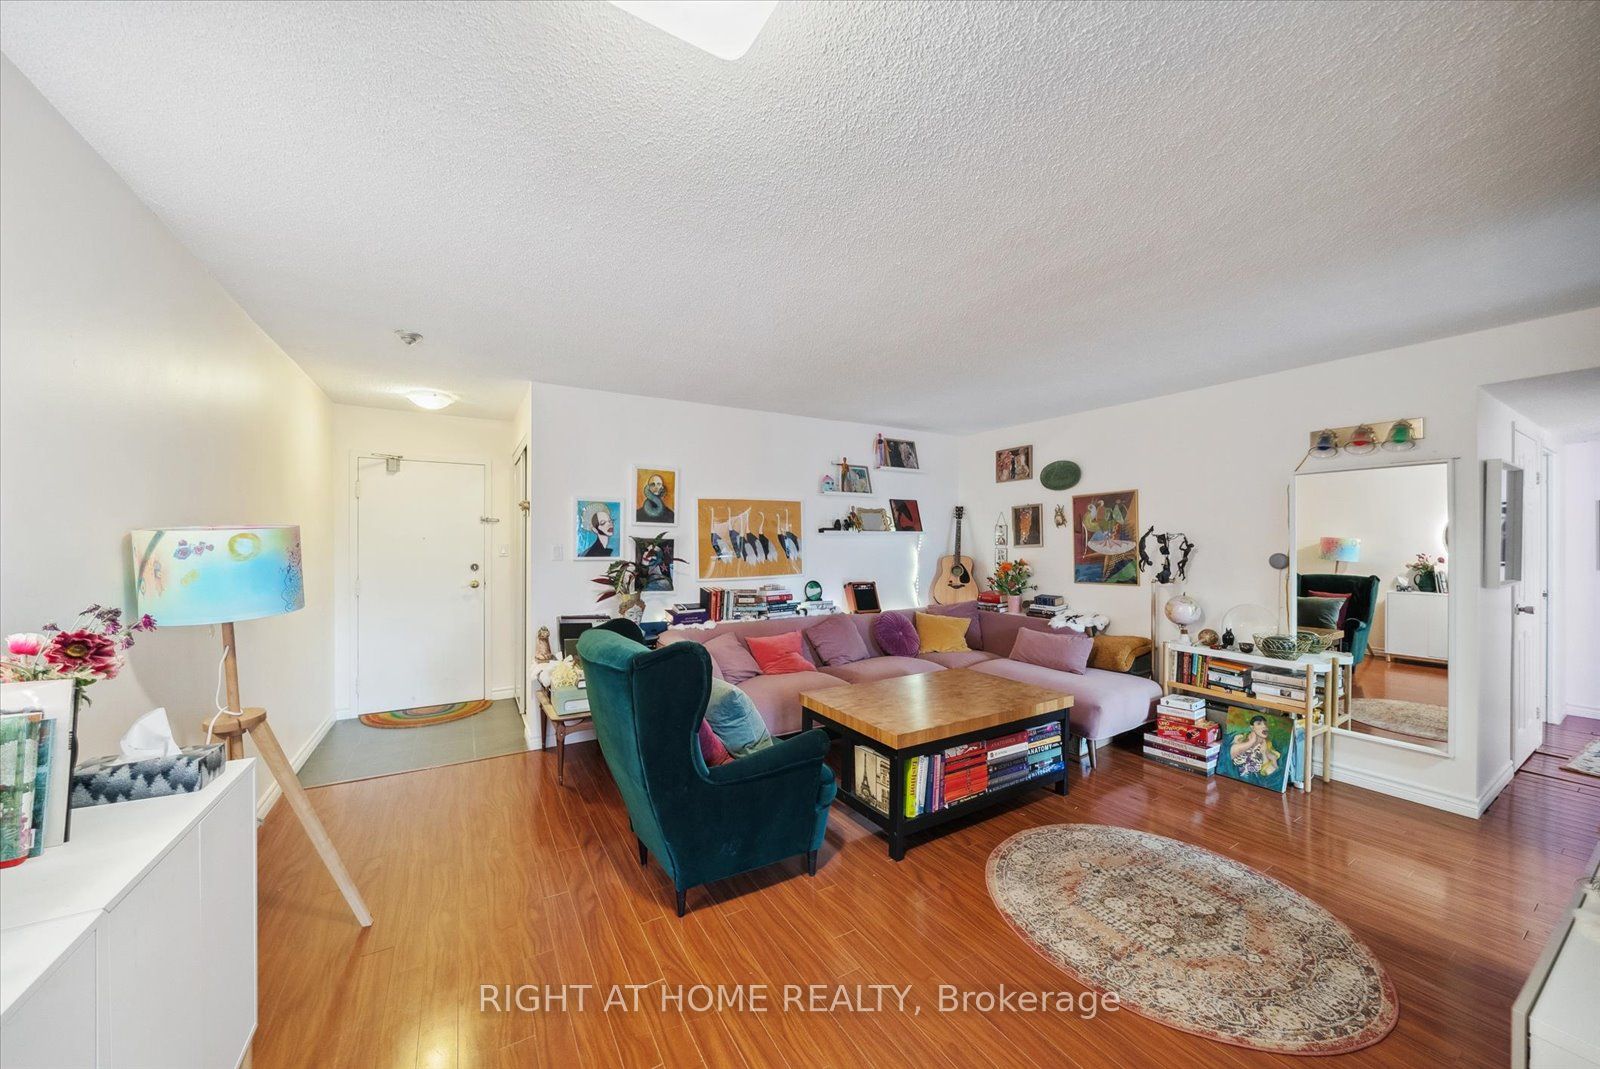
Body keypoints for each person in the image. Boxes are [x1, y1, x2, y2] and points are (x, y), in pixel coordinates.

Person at [1230, 715, 1282, 780]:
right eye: (1259, 724)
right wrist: (1251, 742)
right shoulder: (1240, 738)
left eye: (1265, 724)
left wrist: (1264, 753)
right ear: (1252, 727)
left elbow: (1271, 774)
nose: (1264, 726)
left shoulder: (1267, 745)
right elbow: (1232, 753)